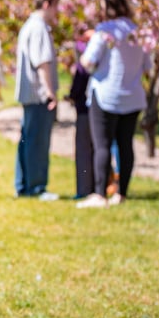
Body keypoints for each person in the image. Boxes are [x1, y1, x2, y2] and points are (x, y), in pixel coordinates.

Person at [76, 0, 152, 208]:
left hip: (106, 94)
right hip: (133, 96)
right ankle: (122, 193)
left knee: (102, 145)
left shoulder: (104, 31)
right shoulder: (138, 32)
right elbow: (147, 65)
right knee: (126, 144)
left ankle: (100, 194)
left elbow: (88, 61)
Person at [13, 0, 60, 200]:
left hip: (28, 94)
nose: (57, 12)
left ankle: (23, 185)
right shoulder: (39, 28)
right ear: (47, 4)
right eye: (56, 7)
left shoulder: (29, 26)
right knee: (38, 142)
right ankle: (36, 187)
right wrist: (50, 93)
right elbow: (42, 63)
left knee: (27, 140)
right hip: (38, 94)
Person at [66, 26, 94, 199]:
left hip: (85, 109)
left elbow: (78, 84)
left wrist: (72, 96)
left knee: (84, 150)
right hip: (102, 110)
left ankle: (84, 190)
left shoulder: (85, 58)